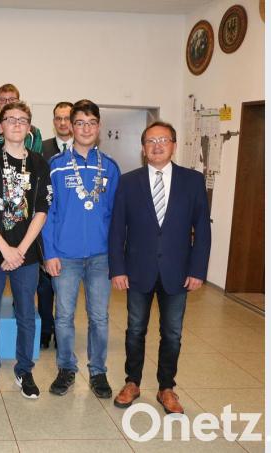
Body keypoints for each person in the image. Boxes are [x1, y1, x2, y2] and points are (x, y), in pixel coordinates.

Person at [109, 121, 211, 414]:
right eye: (151, 141)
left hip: (178, 272)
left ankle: (167, 388)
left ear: (173, 145)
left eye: (163, 140)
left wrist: (198, 270)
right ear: (143, 149)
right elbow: (117, 229)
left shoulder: (192, 181)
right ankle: (132, 382)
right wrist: (117, 268)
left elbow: (202, 229)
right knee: (134, 330)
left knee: (172, 333)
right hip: (137, 270)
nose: (157, 145)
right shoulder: (128, 182)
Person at [0, 102, 50, 399]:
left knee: (26, 314)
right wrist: (5, 249)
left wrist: (20, 251)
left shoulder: (40, 164)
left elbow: (41, 210)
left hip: (27, 255)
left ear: (29, 128)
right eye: (10, 119)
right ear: (0, 126)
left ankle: (24, 370)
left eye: (23, 120)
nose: (17, 124)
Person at [42, 99, 120, 399]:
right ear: (69, 127)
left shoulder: (110, 167)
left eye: (91, 123)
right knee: (63, 316)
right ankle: (66, 368)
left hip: (100, 256)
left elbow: (115, 216)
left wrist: (117, 256)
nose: (85, 128)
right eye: (79, 123)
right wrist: (49, 252)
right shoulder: (56, 166)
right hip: (65, 255)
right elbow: (48, 214)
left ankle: (98, 372)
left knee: (99, 317)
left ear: (98, 127)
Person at [37, 101, 74, 349]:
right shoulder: (43, 149)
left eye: (67, 118)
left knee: (67, 288)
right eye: (58, 118)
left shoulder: (83, 150)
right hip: (45, 225)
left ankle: (63, 333)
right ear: (54, 121)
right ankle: (46, 329)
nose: (62, 122)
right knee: (44, 286)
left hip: (70, 230)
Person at [0, 83, 42, 157]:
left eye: (12, 99)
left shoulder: (34, 133)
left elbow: (37, 163)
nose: (7, 103)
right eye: (2, 100)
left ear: (18, 101)